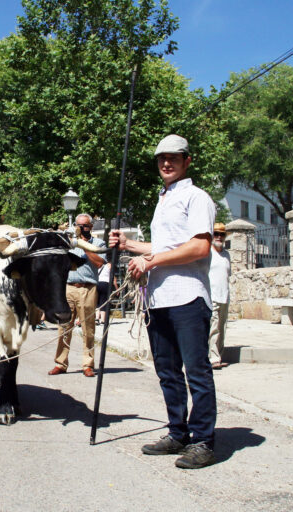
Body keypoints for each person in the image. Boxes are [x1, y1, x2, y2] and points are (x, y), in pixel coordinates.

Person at [109, 134, 217, 469]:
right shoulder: (164, 198)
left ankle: (203, 441)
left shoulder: (197, 198)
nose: (166, 163)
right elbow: (166, 244)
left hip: (188, 297)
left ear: (187, 161)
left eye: (173, 158)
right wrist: (130, 245)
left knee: (196, 372)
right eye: (161, 159)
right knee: (167, 372)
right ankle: (177, 432)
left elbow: (199, 247)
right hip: (159, 300)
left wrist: (152, 262)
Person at [48, 213, 106, 378]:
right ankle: (60, 363)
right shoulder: (70, 242)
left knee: (88, 329)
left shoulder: (98, 243)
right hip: (68, 288)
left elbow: (99, 262)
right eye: (79, 225)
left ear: (91, 227)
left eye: (85, 226)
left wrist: (84, 245)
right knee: (64, 327)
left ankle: (87, 365)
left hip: (87, 289)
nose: (82, 228)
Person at [208, 222, 231, 370]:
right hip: (212, 295)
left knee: (222, 328)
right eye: (216, 234)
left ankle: (219, 355)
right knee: (214, 328)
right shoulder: (207, 253)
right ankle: (213, 358)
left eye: (221, 234)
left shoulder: (226, 254)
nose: (219, 237)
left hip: (225, 296)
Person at [96, 261, 114, 325]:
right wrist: (116, 288)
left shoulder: (98, 264)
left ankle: (97, 318)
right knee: (104, 301)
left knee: (97, 302)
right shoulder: (109, 265)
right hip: (106, 283)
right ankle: (103, 320)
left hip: (97, 283)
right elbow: (113, 277)